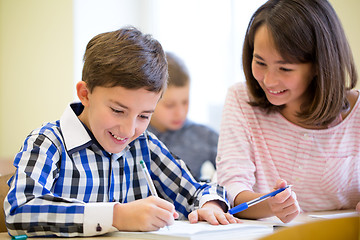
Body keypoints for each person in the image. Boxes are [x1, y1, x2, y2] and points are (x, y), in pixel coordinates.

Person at [4, 27, 240, 238]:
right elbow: (19, 212)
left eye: (144, 116)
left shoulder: (143, 144)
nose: (129, 130)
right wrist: (116, 216)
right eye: (118, 110)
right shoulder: (48, 143)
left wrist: (211, 205)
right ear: (85, 94)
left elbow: (196, 191)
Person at [217, 0, 360, 224]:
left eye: (285, 68)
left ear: (319, 65)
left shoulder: (356, 115)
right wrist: (270, 204)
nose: (268, 80)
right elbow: (230, 190)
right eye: (260, 62)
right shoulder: (240, 99)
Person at [148, 52, 218, 181]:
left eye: (185, 102)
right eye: (169, 105)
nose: (180, 113)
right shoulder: (133, 135)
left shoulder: (204, 136)